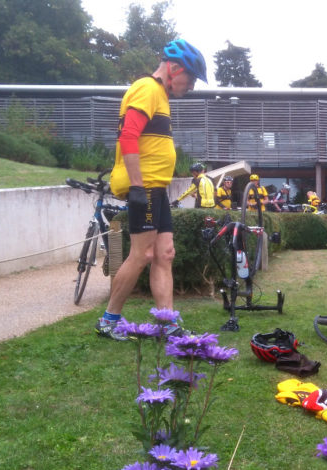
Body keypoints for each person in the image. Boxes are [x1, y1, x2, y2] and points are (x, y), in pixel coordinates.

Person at [100, 39, 207, 339]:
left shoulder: (160, 95)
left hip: (156, 187)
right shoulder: (147, 89)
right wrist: (136, 185)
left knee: (165, 253)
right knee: (143, 254)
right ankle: (108, 321)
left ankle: (167, 322)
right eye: (191, 78)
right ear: (175, 68)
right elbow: (128, 136)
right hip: (144, 186)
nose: (192, 86)